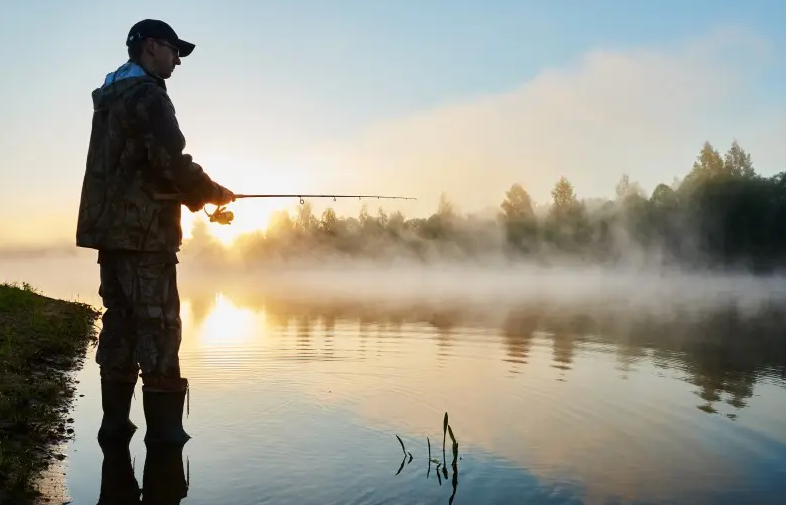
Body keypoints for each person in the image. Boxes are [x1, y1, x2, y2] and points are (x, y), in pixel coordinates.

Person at [75, 19, 234, 445]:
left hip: (111, 231)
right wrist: (212, 191)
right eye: (174, 50)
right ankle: (165, 438)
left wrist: (195, 197)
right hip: (146, 234)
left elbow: (138, 166)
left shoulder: (111, 97)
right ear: (150, 46)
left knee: (120, 322)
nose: (178, 60)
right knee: (159, 326)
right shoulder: (147, 95)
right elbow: (170, 161)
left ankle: (114, 426)